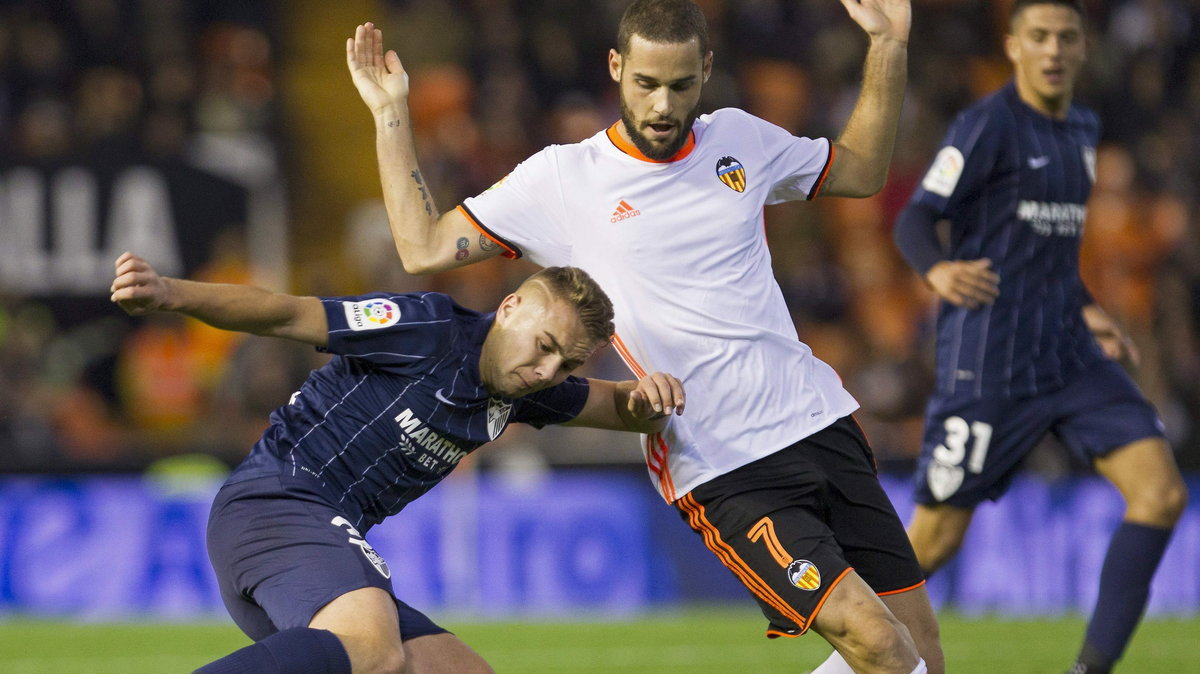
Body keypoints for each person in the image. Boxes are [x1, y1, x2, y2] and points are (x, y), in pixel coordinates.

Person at [347, 1, 942, 672]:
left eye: (681, 86)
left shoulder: (739, 139)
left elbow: (860, 169)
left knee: (921, 654)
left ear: (707, 72)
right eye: (646, 84)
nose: (663, 104)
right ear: (616, 67)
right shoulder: (564, 178)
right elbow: (421, 246)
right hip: (724, 462)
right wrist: (390, 113)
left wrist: (888, 47)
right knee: (882, 647)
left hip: (820, 420)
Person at [110, 251, 685, 674]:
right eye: (545, 345)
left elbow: (618, 405)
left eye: (565, 364)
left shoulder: (523, 388)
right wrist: (170, 295)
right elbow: (286, 314)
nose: (546, 371)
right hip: (277, 503)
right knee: (372, 647)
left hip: (313, 536)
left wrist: (651, 397)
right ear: (509, 308)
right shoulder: (428, 327)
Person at [891, 2, 1189, 672]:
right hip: (990, 361)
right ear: (1014, 47)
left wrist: (1087, 307)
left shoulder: (1082, 127)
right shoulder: (985, 125)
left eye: (1065, 38)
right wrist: (935, 269)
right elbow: (916, 217)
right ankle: (853, 643)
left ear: (1084, 49)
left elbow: (1045, 245)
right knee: (933, 541)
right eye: (1039, 37)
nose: (1053, 50)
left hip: (1068, 353)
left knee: (1161, 493)